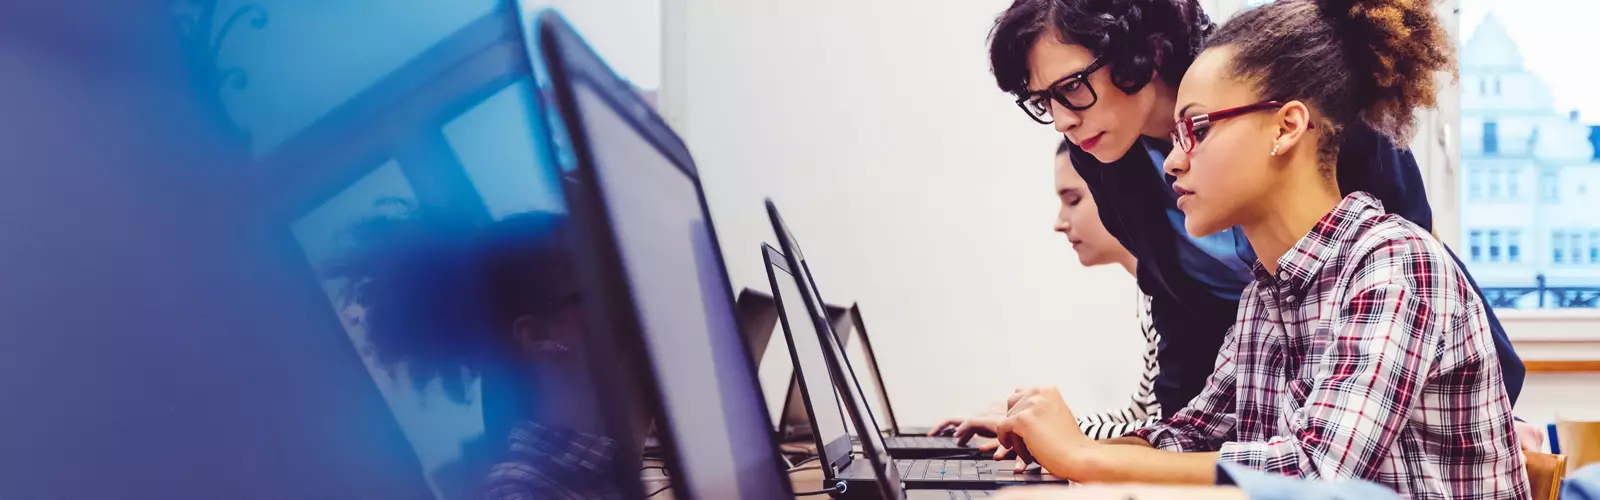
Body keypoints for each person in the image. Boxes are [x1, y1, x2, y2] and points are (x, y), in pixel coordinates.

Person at [993, 0, 1530, 497]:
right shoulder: (1266, 295)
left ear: (1288, 126)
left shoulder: (1392, 263)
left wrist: (1085, 457)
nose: (1175, 162)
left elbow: (1314, 472)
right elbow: (1191, 432)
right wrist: (1059, 450)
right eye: (1043, 102)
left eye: (1197, 130)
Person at [329, 206, 653, 500]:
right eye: (598, 286)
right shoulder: (521, 494)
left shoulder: (636, 441)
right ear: (538, 335)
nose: (623, 293)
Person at [931, 139, 1161, 454]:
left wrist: (1052, 431)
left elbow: (1160, 431)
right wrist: (1035, 426)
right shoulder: (1150, 290)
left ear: (1119, 191)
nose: (1059, 222)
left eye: (1073, 199)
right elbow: (1143, 417)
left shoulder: (1181, 291)